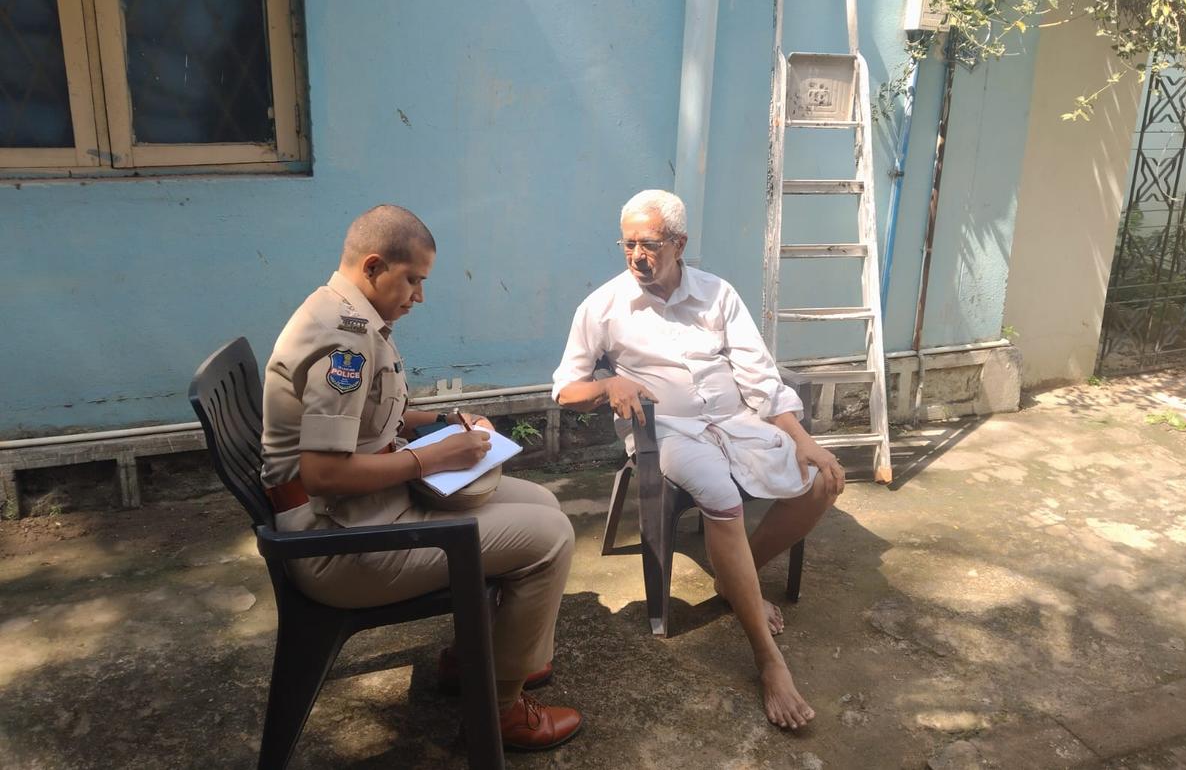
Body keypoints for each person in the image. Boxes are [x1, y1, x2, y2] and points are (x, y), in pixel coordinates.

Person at [260, 204, 582, 751]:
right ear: (373, 266)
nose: (419, 296)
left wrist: (443, 422)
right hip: (337, 546)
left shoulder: (346, 311)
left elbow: (368, 416)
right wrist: (432, 459)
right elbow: (322, 472)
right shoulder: (346, 338)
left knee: (543, 504)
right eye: (413, 280)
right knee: (551, 539)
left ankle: (477, 659)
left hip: (363, 513)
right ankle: (499, 711)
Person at [552, 189, 845, 731]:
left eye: (649, 244)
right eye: (628, 244)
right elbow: (565, 390)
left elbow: (759, 376)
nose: (637, 256)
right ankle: (768, 661)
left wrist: (802, 439)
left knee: (823, 479)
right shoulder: (603, 306)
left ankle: (735, 582)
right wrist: (608, 383)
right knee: (720, 493)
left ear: (679, 244)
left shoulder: (717, 294)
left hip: (736, 421)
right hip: (669, 432)